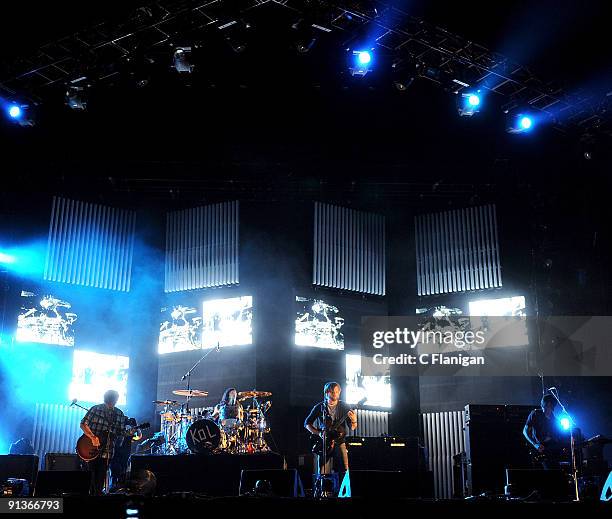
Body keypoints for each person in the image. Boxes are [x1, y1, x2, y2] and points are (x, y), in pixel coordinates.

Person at [304, 382, 357, 476]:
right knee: (323, 472)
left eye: (337, 391)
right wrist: (318, 433)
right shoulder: (320, 407)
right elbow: (307, 423)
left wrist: (354, 420)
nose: (335, 394)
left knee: (345, 471)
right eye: (332, 392)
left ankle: (342, 490)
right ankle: (324, 490)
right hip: (325, 443)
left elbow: (352, 427)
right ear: (326, 392)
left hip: (340, 441)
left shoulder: (344, 406)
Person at [80, 390, 127, 495]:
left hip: (107, 450)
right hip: (90, 447)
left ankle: (97, 497)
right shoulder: (96, 408)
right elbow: (83, 424)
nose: (113, 400)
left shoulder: (119, 413)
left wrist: (131, 432)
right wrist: (92, 437)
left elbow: (121, 432)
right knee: (90, 475)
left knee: (101, 477)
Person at [523, 393, 566, 469]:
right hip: (538, 450)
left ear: (552, 406)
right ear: (543, 405)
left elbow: (557, 437)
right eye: (545, 406)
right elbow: (525, 431)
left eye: (549, 406)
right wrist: (535, 444)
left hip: (551, 452)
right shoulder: (535, 414)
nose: (546, 409)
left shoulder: (555, 420)